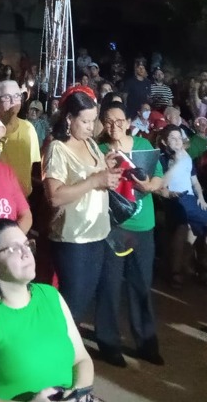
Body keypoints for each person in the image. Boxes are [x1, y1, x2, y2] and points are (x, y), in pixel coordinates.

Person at [0, 219, 93, 402]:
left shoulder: (51, 296)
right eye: (13, 248)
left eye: (27, 244)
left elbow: (81, 359)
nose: (26, 252)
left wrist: (78, 394)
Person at [42, 87, 124, 365]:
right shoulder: (58, 148)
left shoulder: (89, 143)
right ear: (68, 119)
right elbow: (54, 195)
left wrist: (108, 167)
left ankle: (63, 360)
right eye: (85, 121)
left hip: (98, 233)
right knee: (71, 305)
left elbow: (97, 175)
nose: (91, 127)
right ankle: (52, 362)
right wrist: (94, 181)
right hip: (72, 239)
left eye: (93, 121)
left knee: (84, 301)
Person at [97, 101, 165, 364]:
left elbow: (158, 177)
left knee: (141, 286)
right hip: (113, 227)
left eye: (118, 120)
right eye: (108, 121)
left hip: (142, 226)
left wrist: (149, 186)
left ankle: (147, 342)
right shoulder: (100, 150)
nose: (114, 126)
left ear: (127, 122)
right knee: (111, 286)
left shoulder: (144, 147)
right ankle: (109, 343)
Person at [158, 124, 207, 285]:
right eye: (173, 138)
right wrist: (178, 163)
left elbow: (195, 182)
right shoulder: (162, 159)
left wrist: (201, 197)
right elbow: (162, 182)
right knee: (182, 227)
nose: (178, 141)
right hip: (175, 198)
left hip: (191, 199)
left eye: (179, 138)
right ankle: (176, 272)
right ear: (165, 142)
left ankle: (205, 268)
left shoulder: (186, 158)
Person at [0, 79, 40, 198]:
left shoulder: (29, 128)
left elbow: (34, 165)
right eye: (7, 97)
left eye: (17, 96)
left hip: (23, 198)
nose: (14, 101)